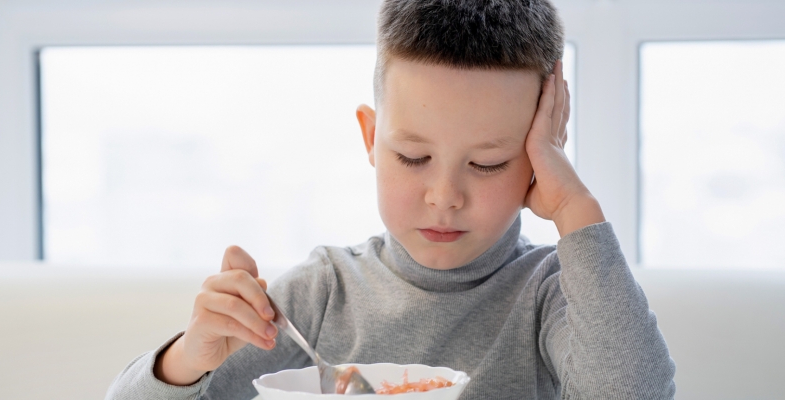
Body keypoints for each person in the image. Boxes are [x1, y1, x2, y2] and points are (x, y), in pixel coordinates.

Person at [106, 0, 676, 398]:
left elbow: (635, 393)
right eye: (412, 157)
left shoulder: (551, 293)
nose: (445, 196)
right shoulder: (322, 294)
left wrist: (575, 207)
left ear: (538, 157)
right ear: (370, 139)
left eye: (488, 164)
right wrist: (189, 359)